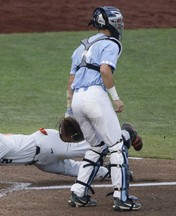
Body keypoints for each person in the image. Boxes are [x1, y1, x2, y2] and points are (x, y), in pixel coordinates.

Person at [65, 6, 141, 211]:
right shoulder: (111, 43)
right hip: (95, 97)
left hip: (78, 100)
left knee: (97, 147)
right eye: (118, 21)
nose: (120, 25)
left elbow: (71, 80)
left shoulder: (81, 46)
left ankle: (78, 194)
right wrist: (116, 99)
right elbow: (105, 70)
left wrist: (68, 110)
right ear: (109, 23)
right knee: (117, 146)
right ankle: (121, 198)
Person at [0, 115, 136, 187]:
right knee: (73, 171)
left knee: (93, 148)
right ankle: (112, 172)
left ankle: (125, 134)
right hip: (40, 160)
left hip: (47, 144)